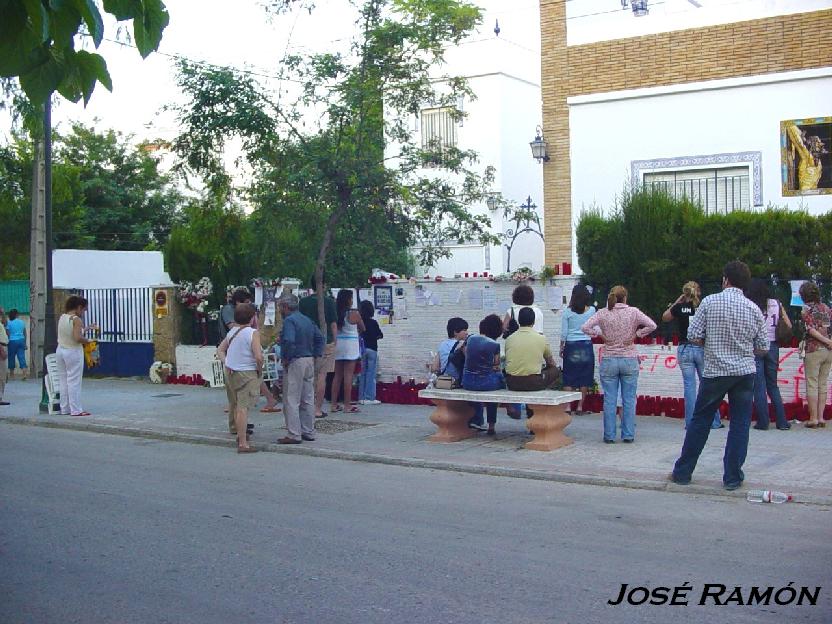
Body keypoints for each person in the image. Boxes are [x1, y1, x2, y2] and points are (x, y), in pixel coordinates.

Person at [671, 261, 769, 490]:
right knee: (740, 424)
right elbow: (763, 346)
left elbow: (692, 334)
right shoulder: (753, 308)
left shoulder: (709, 302)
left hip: (715, 371)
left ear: (725, 279)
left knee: (701, 420)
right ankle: (732, 477)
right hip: (744, 372)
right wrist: (744, 349)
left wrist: (711, 345)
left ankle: (683, 472)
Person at [581, 286, 656, 444]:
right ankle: (628, 434)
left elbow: (584, 327)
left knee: (610, 399)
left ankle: (609, 435)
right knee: (629, 399)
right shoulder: (633, 312)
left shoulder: (603, 313)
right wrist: (637, 334)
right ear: (625, 297)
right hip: (629, 358)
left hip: (609, 358)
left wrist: (600, 334)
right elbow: (652, 325)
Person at [662, 281, 723, 431]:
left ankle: (690, 423)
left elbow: (665, 317)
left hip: (684, 348)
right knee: (707, 384)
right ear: (699, 292)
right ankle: (714, 421)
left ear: (685, 293)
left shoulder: (679, 307)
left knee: (689, 387)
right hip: (700, 347)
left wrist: (678, 301)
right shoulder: (703, 307)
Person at [221, 289, 279, 417]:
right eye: (246, 302)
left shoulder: (246, 317)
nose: (248, 304)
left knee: (248, 375)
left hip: (243, 346)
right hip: (237, 346)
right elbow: (233, 327)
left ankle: (241, 404)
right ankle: (264, 398)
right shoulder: (229, 310)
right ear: (238, 302)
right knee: (250, 375)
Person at [277, 294, 324, 444]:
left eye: (280, 307)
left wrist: (286, 357)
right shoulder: (307, 319)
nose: (279, 310)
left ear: (285, 307)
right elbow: (320, 338)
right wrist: (316, 354)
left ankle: (294, 433)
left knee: (291, 399)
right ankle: (308, 430)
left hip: (295, 360)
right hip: (309, 359)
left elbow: (289, 340)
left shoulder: (289, 321)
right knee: (307, 398)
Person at [745, 278, 791, 431]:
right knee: (773, 385)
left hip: (757, 346)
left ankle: (763, 422)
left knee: (759, 386)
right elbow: (789, 324)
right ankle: (782, 422)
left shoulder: (751, 305)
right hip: (773, 346)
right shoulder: (777, 303)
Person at [217, 304, 263, 453]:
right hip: (247, 372)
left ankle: (239, 433)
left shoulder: (232, 332)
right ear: (252, 317)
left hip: (232, 372)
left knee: (236, 405)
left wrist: (227, 362)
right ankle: (243, 443)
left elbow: (220, 350)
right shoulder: (252, 333)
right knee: (243, 408)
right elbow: (258, 356)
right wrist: (260, 369)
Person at [432, 317, 486, 431]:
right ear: (455, 332)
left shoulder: (442, 345)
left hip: (444, 381)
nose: (466, 332)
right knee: (476, 391)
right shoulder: (462, 345)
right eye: (464, 330)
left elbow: (435, 367)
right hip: (457, 381)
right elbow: (471, 362)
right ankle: (477, 421)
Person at [299, 272, 338, 418]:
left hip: (306, 341)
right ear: (324, 285)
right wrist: (335, 341)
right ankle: (317, 408)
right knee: (322, 375)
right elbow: (333, 324)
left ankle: (307, 406)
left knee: (308, 376)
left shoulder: (303, 302)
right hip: (325, 341)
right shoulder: (329, 302)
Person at [461, 314, 506, 436]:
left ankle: (478, 419)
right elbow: (496, 365)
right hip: (487, 383)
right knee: (498, 383)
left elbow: (464, 352)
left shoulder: (470, 339)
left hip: (468, 382)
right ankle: (491, 426)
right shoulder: (494, 345)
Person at [799, 281, 832, 428]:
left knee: (812, 383)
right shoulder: (826, 308)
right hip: (828, 351)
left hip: (814, 349)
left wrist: (824, 340)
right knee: (822, 383)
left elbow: (810, 329)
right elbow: (828, 327)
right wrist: (829, 342)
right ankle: (821, 417)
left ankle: (813, 419)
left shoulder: (806, 310)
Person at [560, 284, 596, 414]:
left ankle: (568, 407)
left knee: (568, 376)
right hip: (586, 345)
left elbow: (564, 333)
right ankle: (580, 407)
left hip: (571, 346)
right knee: (584, 376)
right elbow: (595, 328)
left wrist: (561, 347)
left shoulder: (567, 312)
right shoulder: (592, 310)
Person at [505, 307, 560, 391]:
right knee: (555, 370)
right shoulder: (541, 338)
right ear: (534, 322)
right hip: (533, 383)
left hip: (511, 383)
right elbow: (551, 362)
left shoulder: (509, 339)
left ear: (519, 320)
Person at [56, 296, 93, 417]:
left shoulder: (62, 317)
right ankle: (76, 409)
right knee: (74, 381)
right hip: (72, 351)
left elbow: (69, 332)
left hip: (60, 350)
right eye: (84, 310)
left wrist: (86, 329)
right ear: (79, 307)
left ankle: (64, 408)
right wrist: (88, 341)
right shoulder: (77, 320)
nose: (83, 313)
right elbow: (77, 338)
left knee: (63, 380)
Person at [332, 289, 365, 413]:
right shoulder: (354, 313)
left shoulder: (336, 313)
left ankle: (334, 404)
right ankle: (347, 405)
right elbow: (363, 328)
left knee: (337, 375)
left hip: (338, 344)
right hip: (351, 345)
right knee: (348, 376)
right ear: (348, 300)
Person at [358, 300, 383, 405]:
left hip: (362, 349)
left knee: (362, 373)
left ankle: (361, 397)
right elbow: (380, 335)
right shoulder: (373, 322)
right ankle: (370, 397)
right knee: (371, 374)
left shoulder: (359, 323)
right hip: (372, 349)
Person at [6, 309, 27, 379]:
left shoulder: (9, 322)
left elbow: (8, 333)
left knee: (11, 357)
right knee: (21, 357)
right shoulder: (22, 322)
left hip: (12, 341)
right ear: (16, 315)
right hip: (21, 340)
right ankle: (24, 373)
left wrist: (7, 341)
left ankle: (12, 375)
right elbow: (25, 333)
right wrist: (25, 343)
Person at [0, 318, 8, 405]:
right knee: (2, 374)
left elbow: (6, 323)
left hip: (3, 345)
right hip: (1, 346)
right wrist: (1, 350)